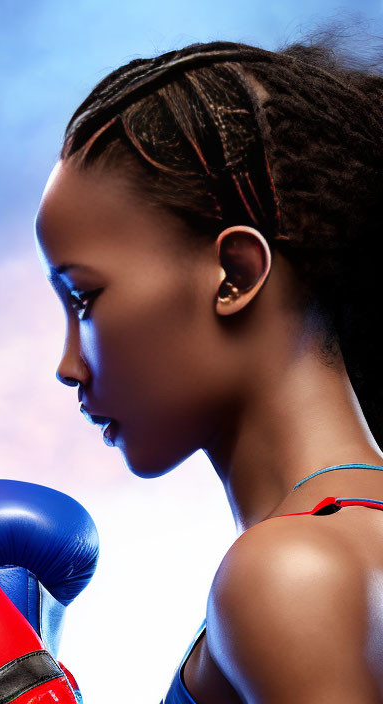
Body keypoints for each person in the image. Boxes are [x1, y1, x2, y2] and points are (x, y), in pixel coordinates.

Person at [35, 39, 383, 703]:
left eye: (84, 298)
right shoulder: (344, 542)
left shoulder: (289, 573)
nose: (68, 365)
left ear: (235, 275)